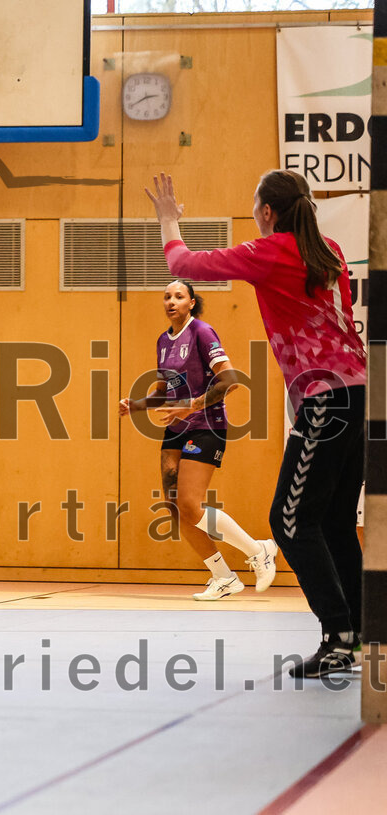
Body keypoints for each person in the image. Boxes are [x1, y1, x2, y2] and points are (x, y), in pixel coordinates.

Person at [147, 170, 366, 678]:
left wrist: (168, 220)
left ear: (267, 212)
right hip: (359, 396)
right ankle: (357, 631)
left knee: (289, 523)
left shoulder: (273, 252)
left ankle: (338, 634)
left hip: (325, 400)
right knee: (332, 521)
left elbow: (184, 263)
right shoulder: (329, 250)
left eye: (254, 206)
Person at [119, 280, 277, 600]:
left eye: (179, 296)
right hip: (176, 428)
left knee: (190, 503)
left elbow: (230, 380)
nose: (171, 301)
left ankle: (258, 549)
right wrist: (136, 405)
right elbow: (164, 393)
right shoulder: (164, 340)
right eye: (166, 296)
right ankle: (223, 576)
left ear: (192, 302)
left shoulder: (202, 332)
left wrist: (193, 404)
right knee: (176, 508)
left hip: (208, 424)